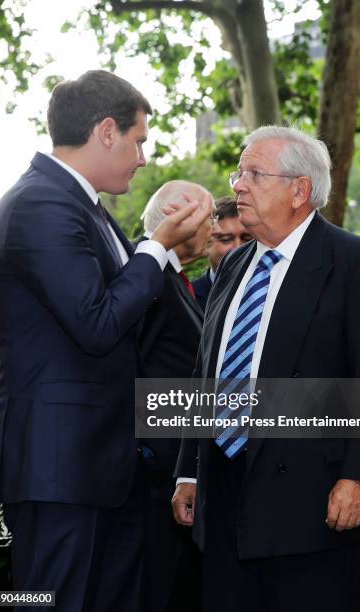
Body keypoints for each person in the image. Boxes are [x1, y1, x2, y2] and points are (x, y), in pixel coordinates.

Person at [0, 70, 211, 612]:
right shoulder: (41, 204)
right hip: (59, 470)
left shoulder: (86, 207)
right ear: (106, 131)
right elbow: (97, 324)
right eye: (139, 141)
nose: (142, 158)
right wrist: (157, 247)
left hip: (104, 468)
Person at [173, 125, 360, 612]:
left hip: (311, 505)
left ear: (299, 190)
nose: (238, 185)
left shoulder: (356, 261)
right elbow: (207, 369)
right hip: (223, 500)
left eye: (253, 174)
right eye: (238, 173)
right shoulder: (231, 265)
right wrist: (188, 471)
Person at [138, 180, 213, 612]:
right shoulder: (146, 277)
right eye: (209, 218)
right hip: (153, 481)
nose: (214, 227)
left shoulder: (175, 279)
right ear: (179, 221)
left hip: (174, 476)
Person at [192, 196, 252, 310]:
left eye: (247, 239)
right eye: (226, 239)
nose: (238, 247)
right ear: (207, 242)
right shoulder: (189, 296)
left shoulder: (271, 290)